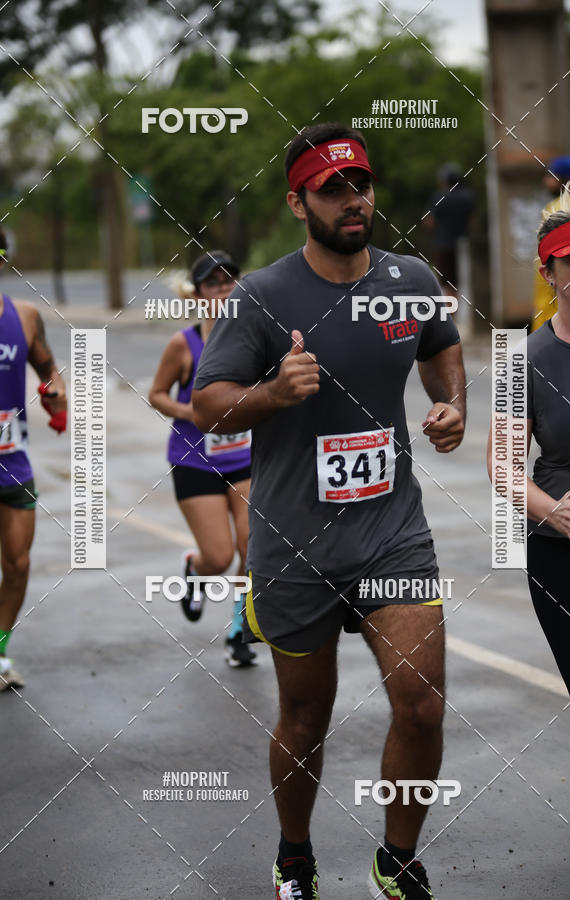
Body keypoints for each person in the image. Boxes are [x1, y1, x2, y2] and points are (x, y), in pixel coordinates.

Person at [193, 123, 466, 899]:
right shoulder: (260, 297)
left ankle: (398, 857)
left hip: (393, 536)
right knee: (306, 719)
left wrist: (452, 405)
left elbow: (440, 342)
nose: (354, 201)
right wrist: (273, 394)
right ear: (297, 202)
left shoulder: (411, 276)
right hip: (294, 545)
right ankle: (294, 853)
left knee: (422, 702)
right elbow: (208, 406)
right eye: (333, 189)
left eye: (362, 185)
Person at [488, 184, 570, 895]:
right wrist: (550, 512)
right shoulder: (521, 361)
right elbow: (500, 463)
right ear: (548, 271)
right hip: (567, 554)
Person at [149, 250, 255, 667]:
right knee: (219, 556)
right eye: (214, 283)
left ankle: (238, 631)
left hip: (244, 459)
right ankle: (195, 571)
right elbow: (157, 394)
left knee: (253, 551)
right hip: (195, 462)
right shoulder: (185, 343)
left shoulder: (253, 338)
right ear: (197, 294)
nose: (224, 289)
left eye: (231, 281)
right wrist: (192, 413)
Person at [0, 226, 67, 690]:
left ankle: (0, 649)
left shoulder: (22, 317)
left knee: (18, 563)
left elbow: (46, 367)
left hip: (12, 459)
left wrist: (55, 396)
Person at [531, 155, 570, 331]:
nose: (545, 180)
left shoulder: (555, 209)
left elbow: (547, 257)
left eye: (550, 175)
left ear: (563, 179)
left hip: (557, 300)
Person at [423, 162, 475, 295]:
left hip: (443, 246)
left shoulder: (439, 197)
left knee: (447, 284)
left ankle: (451, 315)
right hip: (464, 246)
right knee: (463, 281)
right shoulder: (468, 196)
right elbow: (472, 221)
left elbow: (430, 222)